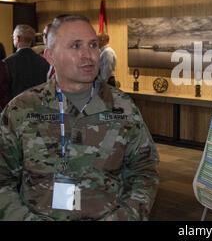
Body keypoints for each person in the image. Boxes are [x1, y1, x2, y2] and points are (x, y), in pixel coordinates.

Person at [0, 14, 159, 220]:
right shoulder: (21, 109)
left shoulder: (122, 107)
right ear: (50, 56)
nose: (89, 55)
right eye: (75, 46)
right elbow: (3, 178)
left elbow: (145, 170)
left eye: (93, 45)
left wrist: (125, 216)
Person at [4, 24, 49, 99]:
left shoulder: (7, 62)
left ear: (18, 38)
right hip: (39, 105)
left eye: (13, 37)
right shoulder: (44, 61)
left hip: (15, 106)